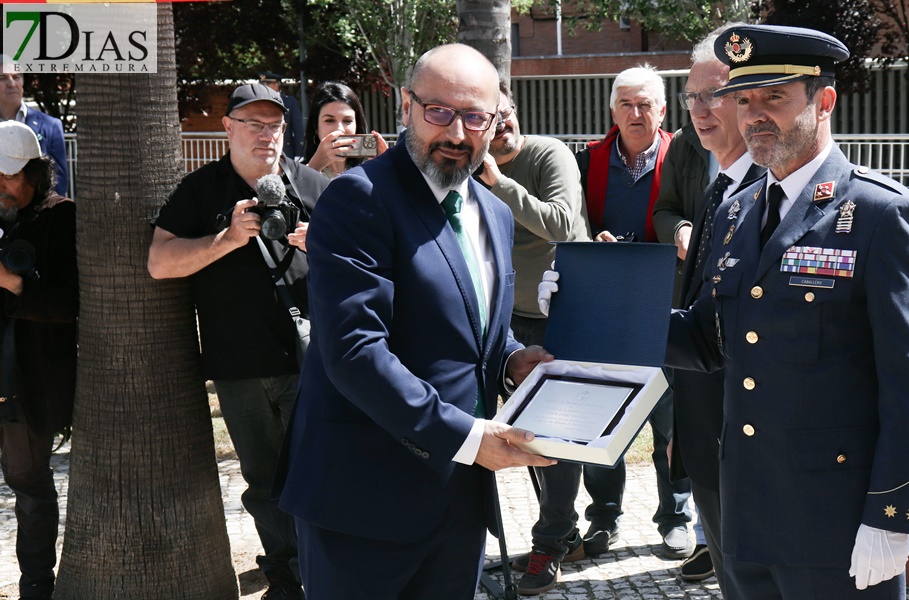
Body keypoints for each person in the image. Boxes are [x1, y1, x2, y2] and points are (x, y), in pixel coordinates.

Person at [661, 24, 909, 599]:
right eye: (742, 99)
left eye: (774, 97)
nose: (753, 115)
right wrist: (597, 313)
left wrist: (895, 512)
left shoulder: (878, 213)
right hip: (747, 511)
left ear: (824, 101)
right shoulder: (735, 211)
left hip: (835, 520)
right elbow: (707, 340)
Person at [276, 44, 556, 599]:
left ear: (496, 121)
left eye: (475, 116)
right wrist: (471, 438)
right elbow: (355, 352)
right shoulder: (359, 198)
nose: (457, 132)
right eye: (439, 112)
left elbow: (476, 329)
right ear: (407, 106)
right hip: (362, 501)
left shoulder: (495, 213)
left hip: (457, 502)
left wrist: (511, 360)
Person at [148, 83, 328, 600]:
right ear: (228, 127)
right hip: (239, 366)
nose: (265, 134)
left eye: (274, 124)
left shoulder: (315, 186)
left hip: (310, 362)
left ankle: (323, 572)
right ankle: (284, 579)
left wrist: (325, 246)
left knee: (314, 472)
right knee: (263, 484)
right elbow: (160, 263)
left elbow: (369, 269)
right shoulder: (200, 191)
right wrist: (226, 240)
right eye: (253, 123)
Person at [650, 23, 764, 585]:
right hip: (707, 434)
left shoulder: (771, 194)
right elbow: (701, 324)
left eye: (715, 93)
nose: (699, 108)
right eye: (692, 95)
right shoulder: (720, 186)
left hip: (752, 449)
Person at [574, 65, 695, 561]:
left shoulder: (682, 158)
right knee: (605, 421)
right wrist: (593, 241)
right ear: (612, 111)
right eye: (626, 103)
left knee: (671, 424)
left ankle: (676, 518)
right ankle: (603, 519)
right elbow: (574, 227)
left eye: (646, 104)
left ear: (663, 110)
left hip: (667, 308)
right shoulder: (588, 161)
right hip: (610, 313)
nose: (636, 113)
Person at [475, 82, 591, 595]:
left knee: (558, 439)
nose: (502, 123)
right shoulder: (466, 170)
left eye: (507, 113)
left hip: (561, 317)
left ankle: (549, 545)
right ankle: (562, 532)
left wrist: (499, 184)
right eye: (489, 117)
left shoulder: (549, 155)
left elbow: (565, 225)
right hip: (503, 323)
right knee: (520, 436)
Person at [0, 121, 77, 600]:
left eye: (7, 175)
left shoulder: (60, 217)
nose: (0, 185)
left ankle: (35, 585)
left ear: (34, 171)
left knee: (28, 486)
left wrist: (12, 284)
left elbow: (70, 304)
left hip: (27, 381)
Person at [0, 70, 69, 196]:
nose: (11, 83)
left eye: (16, 77)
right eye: (2, 77)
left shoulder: (51, 126)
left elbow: (59, 181)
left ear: (22, 83)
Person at [300, 81, 387, 179]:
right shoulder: (296, 173)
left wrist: (384, 167)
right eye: (329, 120)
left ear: (357, 125)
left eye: (347, 121)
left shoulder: (367, 171)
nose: (339, 129)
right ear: (316, 127)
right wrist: (314, 167)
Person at [261, 72, 306, 160]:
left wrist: (299, 154)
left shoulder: (289, 102)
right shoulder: (259, 103)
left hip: (285, 152)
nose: (263, 87)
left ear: (276, 86)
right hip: (265, 151)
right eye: (262, 84)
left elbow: (298, 129)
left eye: (266, 84)